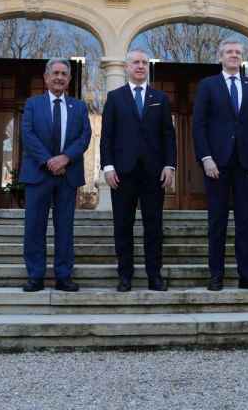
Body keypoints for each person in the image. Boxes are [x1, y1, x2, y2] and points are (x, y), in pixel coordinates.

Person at [193, 38, 248, 291]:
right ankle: (216, 275)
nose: (234, 55)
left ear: (242, 57)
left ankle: (246, 276)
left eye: (238, 52)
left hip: (247, 164)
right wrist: (205, 158)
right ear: (221, 57)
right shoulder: (207, 85)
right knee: (217, 221)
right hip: (217, 164)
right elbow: (199, 124)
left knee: (245, 222)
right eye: (229, 52)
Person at [101, 49, 177, 292]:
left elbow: (168, 135)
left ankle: (155, 275)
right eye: (136, 62)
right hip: (122, 173)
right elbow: (107, 136)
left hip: (154, 174)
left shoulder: (160, 98)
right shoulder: (115, 98)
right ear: (126, 67)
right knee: (122, 226)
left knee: (153, 226)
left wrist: (170, 164)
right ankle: (125, 276)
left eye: (144, 62)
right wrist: (108, 166)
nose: (141, 66)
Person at [20, 58, 92, 292]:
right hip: (38, 174)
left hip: (67, 175)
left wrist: (65, 158)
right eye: (55, 73)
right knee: (34, 227)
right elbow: (28, 135)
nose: (59, 77)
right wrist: (49, 161)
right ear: (46, 77)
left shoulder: (79, 107)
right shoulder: (32, 104)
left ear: (69, 79)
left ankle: (63, 276)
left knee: (65, 227)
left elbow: (84, 137)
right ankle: (35, 276)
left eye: (64, 74)